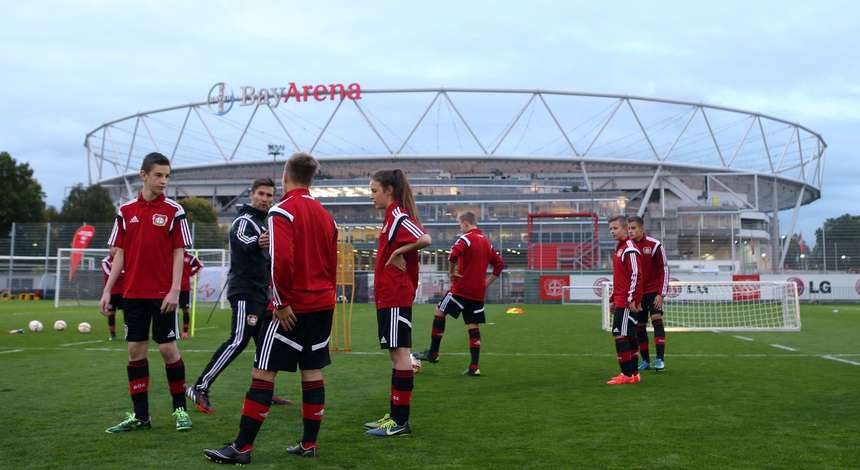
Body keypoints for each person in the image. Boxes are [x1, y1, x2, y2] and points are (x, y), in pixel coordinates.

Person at [203, 153, 338, 464]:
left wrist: (280, 302)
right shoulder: (325, 215)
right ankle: (308, 443)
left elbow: (281, 261)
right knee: (312, 370)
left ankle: (242, 448)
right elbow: (332, 263)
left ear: (285, 177)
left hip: (293, 307)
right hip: (322, 304)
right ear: (312, 179)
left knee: (263, 371)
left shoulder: (282, 212)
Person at [100, 152, 194, 432]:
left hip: (163, 293)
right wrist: (107, 291)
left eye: (167, 176)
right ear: (143, 175)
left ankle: (180, 411)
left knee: (168, 349)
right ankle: (141, 417)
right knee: (135, 351)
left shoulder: (174, 211)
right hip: (132, 294)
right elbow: (119, 254)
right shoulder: (126, 211)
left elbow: (180, 252)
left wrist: (175, 290)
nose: (164, 181)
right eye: (158, 175)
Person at [187, 178, 290, 413]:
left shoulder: (263, 222)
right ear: (251, 195)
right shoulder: (245, 221)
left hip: (261, 293)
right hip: (246, 293)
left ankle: (263, 392)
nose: (265, 199)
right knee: (238, 340)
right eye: (261, 194)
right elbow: (244, 240)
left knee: (266, 345)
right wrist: (259, 242)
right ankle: (199, 387)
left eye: (269, 195)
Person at [363, 169, 432, 437]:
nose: (372, 196)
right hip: (388, 296)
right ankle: (394, 416)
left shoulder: (399, 216)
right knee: (396, 354)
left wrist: (400, 252)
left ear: (388, 190)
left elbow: (425, 238)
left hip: (396, 296)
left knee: (401, 355)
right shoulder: (390, 218)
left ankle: (400, 422)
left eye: (374, 191)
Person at [413, 211, 505, 375]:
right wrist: (485, 283)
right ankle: (474, 367)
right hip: (477, 293)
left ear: (465, 223)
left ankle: (433, 353)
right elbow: (499, 266)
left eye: (459, 225)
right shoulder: (486, 243)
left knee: (439, 311)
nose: (459, 228)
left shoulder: (466, 239)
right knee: (473, 325)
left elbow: (453, 255)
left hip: (461, 289)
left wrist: (452, 272)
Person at [627, 216, 669, 371]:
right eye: (629, 228)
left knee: (657, 319)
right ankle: (645, 361)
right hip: (637, 294)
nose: (630, 231)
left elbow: (664, 269)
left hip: (653, 292)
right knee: (640, 327)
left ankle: (660, 359)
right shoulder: (627, 246)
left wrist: (661, 294)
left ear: (641, 229)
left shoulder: (655, 245)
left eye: (633, 228)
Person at [606, 215, 643, 385]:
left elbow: (636, 274)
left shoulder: (629, 248)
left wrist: (632, 299)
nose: (612, 231)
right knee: (629, 336)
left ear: (624, 228)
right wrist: (614, 298)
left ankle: (626, 374)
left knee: (620, 335)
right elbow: (620, 278)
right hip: (621, 299)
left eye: (615, 228)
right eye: (611, 229)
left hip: (627, 301)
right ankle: (634, 374)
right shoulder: (620, 248)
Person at [100, 247, 124, 341]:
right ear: (110, 249)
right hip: (111, 293)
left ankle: (128, 333)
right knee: (110, 314)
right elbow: (109, 274)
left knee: (127, 314)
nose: (115, 249)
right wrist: (120, 273)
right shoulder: (105, 261)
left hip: (124, 292)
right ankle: (113, 334)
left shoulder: (124, 259)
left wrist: (118, 273)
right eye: (113, 247)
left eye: (117, 247)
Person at [179, 251, 203, 338]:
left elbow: (200, 265)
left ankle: (185, 332)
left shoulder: (190, 257)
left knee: (185, 310)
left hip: (184, 288)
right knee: (170, 310)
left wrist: (191, 273)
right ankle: (171, 331)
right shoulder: (172, 254)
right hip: (172, 288)